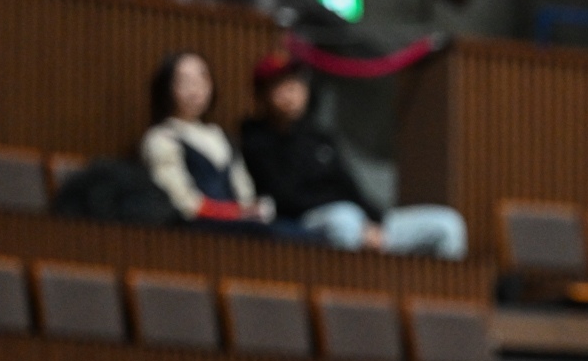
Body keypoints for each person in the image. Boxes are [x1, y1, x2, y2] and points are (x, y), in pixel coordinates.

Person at [240, 54, 467, 258]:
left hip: (357, 218)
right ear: (262, 95)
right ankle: (351, 291)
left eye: (295, 83)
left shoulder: (320, 137)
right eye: (280, 85)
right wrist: (357, 220)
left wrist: (374, 222)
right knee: (344, 219)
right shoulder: (256, 140)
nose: (291, 92)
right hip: (307, 220)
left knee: (447, 223)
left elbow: (348, 185)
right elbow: (284, 197)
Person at [141, 51, 275, 228]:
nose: (195, 89)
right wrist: (235, 213)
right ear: (167, 88)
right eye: (185, 82)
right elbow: (183, 203)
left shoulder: (221, 135)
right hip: (191, 230)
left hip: (237, 228)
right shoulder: (162, 137)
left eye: (202, 80)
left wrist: (252, 210)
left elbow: (244, 193)